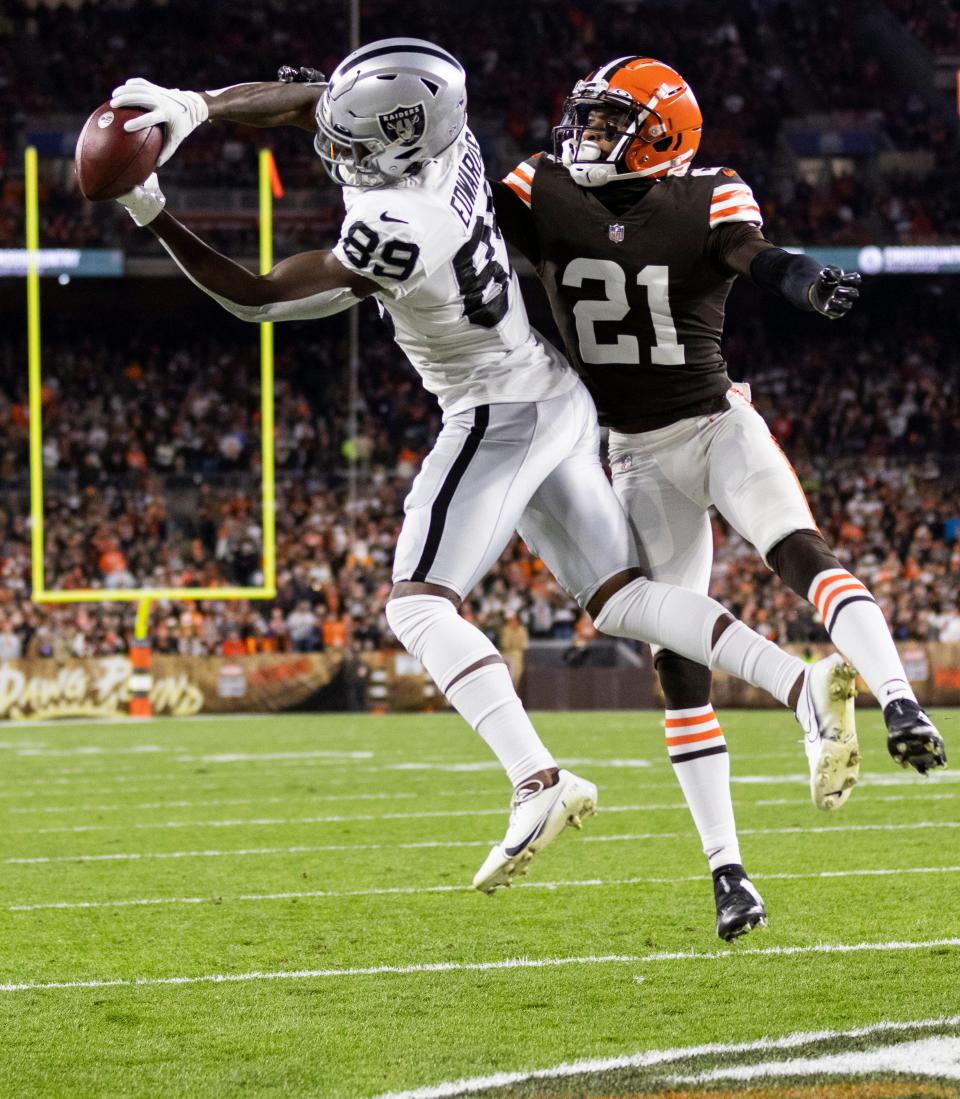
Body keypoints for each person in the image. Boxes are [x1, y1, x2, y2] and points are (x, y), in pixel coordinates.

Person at [110, 39, 856, 939]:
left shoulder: (401, 223)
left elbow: (259, 297)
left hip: (494, 408)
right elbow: (315, 98)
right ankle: (800, 683)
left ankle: (538, 777)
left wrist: (150, 210)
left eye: (355, 142)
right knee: (625, 601)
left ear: (395, 145)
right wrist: (198, 104)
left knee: (417, 606)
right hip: (549, 387)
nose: (336, 149)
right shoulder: (444, 138)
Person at [490, 54, 947, 916]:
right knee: (678, 661)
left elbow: (756, 254)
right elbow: (464, 209)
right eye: (584, 119)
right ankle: (728, 870)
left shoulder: (709, 193)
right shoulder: (541, 186)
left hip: (713, 425)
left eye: (607, 122)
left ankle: (899, 701)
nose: (585, 135)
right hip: (631, 452)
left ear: (663, 136)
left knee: (798, 550)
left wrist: (805, 279)